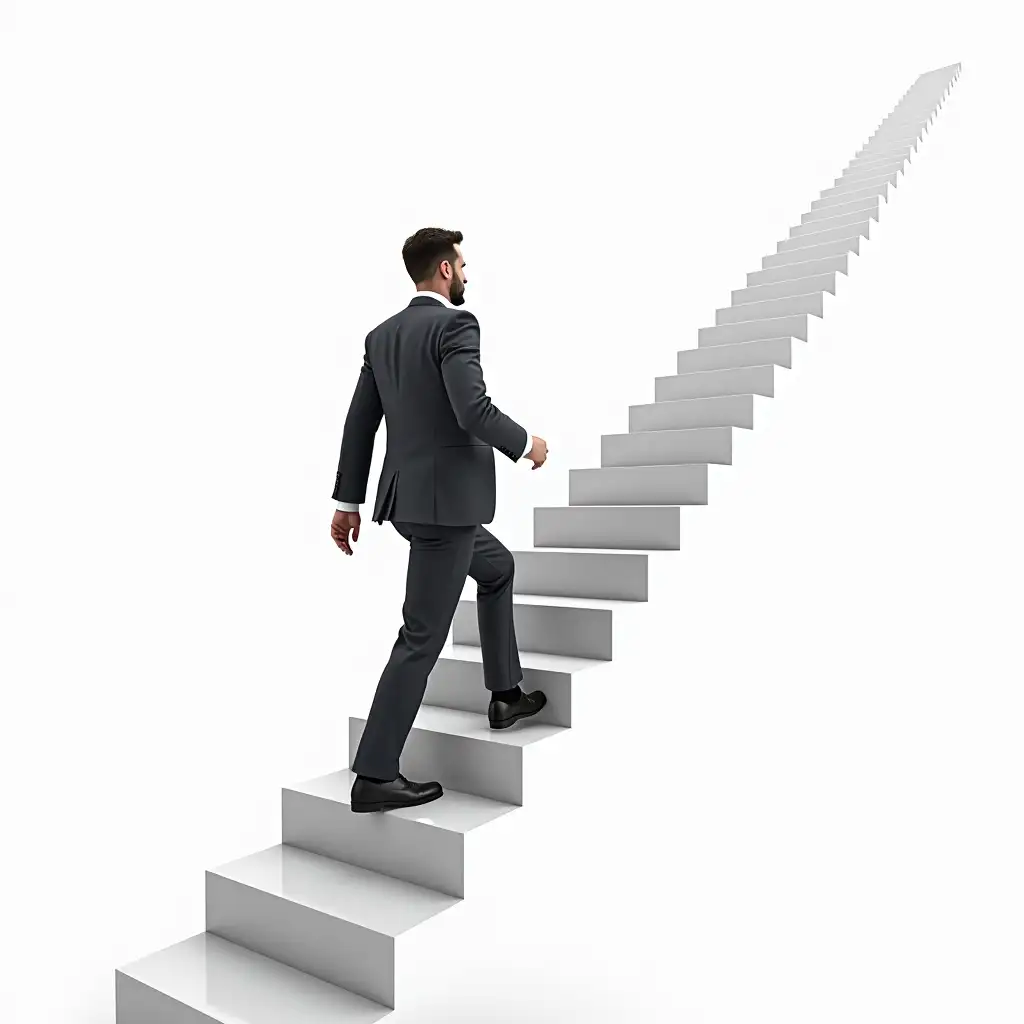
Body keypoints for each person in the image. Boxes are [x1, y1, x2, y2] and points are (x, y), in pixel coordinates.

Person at [329, 227, 550, 813]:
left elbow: (359, 425)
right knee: (421, 636)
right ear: (446, 270)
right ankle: (375, 774)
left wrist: (347, 503)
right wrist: (527, 442)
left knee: (497, 567)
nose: (467, 275)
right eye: (463, 265)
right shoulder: (457, 325)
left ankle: (506, 694)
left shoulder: (382, 337)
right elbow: (471, 409)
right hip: (447, 509)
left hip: (409, 504)